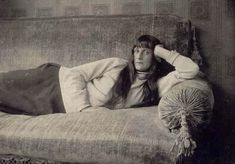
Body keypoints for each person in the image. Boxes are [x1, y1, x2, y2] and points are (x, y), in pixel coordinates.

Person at [0, 35, 199, 115]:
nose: (139, 55)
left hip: (56, 105)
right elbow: (73, 73)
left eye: (146, 52)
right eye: (136, 50)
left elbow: (191, 70)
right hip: (52, 81)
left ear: (154, 58)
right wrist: (85, 109)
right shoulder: (117, 65)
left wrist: (161, 52)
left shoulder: (157, 86)